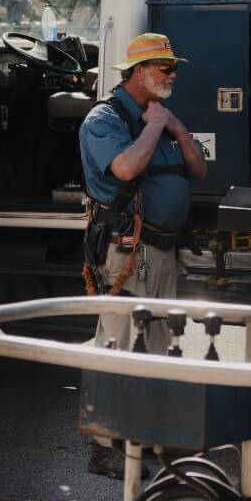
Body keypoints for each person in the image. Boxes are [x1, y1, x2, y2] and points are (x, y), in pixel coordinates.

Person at [78, 32, 208, 478]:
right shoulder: (104, 119)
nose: (173, 74)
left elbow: (198, 168)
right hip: (127, 252)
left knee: (157, 347)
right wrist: (155, 126)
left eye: (174, 67)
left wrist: (175, 129)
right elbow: (127, 169)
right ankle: (104, 446)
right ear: (137, 72)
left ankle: (150, 441)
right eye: (164, 67)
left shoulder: (160, 118)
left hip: (163, 251)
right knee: (115, 345)